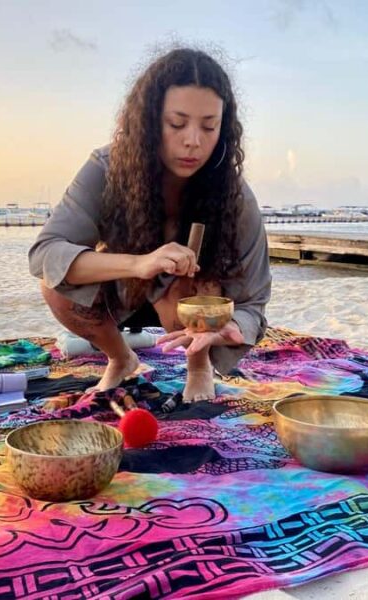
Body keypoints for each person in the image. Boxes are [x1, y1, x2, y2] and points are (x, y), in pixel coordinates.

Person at [28, 47, 271, 402]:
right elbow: (45, 254)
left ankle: (198, 365)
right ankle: (121, 357)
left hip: (186, 304)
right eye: (177, 123)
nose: (193, 140)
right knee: (55, 286)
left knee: (195, 282)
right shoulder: (107, 168)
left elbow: (255, 299)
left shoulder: (235, 195)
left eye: (209, 126)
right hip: (122, 293)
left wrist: (229, 328)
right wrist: (139, 263)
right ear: (150, 120)